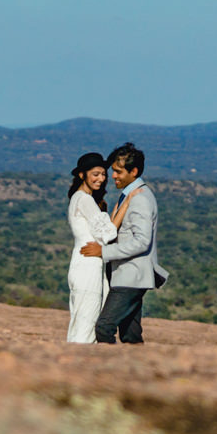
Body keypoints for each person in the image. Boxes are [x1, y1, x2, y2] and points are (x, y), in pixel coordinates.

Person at [81, 142, 166, 345]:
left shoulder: (140, 199)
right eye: (113, 171)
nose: (113, 176)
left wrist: (104, 251)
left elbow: (141, 242)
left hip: (131, 276)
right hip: (129, 275)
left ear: (133, 171)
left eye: (118, 172)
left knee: (104, 327)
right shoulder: (131, 195)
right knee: (130, 335)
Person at [63, 152, 117, 344]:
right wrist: (124, 207)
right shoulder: (84, 199)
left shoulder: (81, 199)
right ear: (82, 175)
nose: (101, 179)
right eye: (95, 174)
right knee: (86, 322)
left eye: (103, 174)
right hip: (88, 265)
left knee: (82, 319)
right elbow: (109, 233)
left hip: (86, 264)